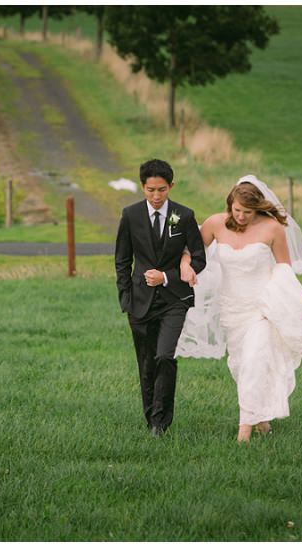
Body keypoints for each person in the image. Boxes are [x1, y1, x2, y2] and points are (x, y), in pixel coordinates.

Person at [177, 175, 302, 443]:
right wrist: (185, 264)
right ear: (230, 204)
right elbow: (191, 250)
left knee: (253, 363)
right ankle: (261, 420)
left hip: (261, 308)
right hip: (231, 310)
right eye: (236, 210)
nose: (240, 216)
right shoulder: (216, 223)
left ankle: (244, 433)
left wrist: (279, 306)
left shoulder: (272, 228)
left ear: (257, 209)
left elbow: (284, 270)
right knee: (242, 366)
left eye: (247, 212)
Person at [115, 159, 207, 437]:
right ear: (142, 187)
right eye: (151, 190)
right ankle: (150, 418)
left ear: (171, 186)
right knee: (146, 364)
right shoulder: (130, 215)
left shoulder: (184, 215)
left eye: (162, 190)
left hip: (175, 300)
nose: (156, 197)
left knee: (165, 356)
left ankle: (160, 423)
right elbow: (122, 260)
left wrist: (168, 276)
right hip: (140, 303)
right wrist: (126, 299)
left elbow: (199, 259)